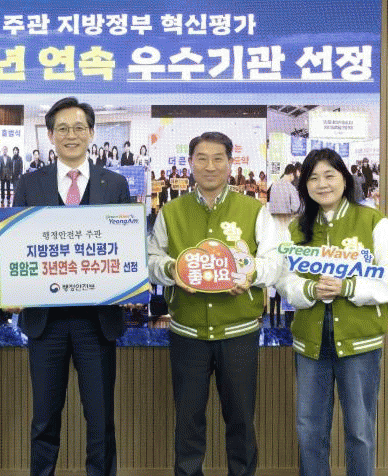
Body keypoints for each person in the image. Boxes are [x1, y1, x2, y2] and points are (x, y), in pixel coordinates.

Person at [147, 131, 281, 476]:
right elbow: (152, 259)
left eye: (218, 158)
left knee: (241, 420)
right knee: (188, 421)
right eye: (202, 158)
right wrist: (171, 270)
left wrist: (250, 275)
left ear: (230, 163)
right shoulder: (170, 212)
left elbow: (274, 261)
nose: (210, 166)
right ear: (190, 163)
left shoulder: (254, 211)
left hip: (239, 334)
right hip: (187, 334)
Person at [10, 97, 130, 476]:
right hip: (47, 323)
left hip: (97, 323)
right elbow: (17, 246)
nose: (71, 135)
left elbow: (126, 247)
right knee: (44, 420)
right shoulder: (29, 184)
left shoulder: (115, 184)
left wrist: (130, 283)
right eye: (62, 128)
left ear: (91, 133)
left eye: (79, 127)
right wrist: (13, 285)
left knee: (101, 421)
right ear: (50, 136)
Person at [275, 149, 388, 476]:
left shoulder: (373, 221)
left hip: (359, 344)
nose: (322, 184)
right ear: (305, 185)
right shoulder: (297, 229)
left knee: (360, 431)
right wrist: (308, 290)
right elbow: (283, 278)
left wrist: (349, 287)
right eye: (313, 178)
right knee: (309, 430)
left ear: (345, 179)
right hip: (310, 344)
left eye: (329, 175)